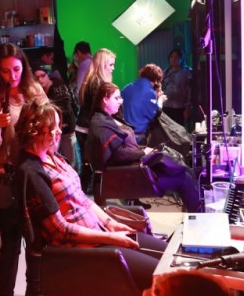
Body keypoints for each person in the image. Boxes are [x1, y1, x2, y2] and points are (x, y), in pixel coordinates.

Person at [12, 100, 165, 293]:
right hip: (83, 249)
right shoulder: (31, 172)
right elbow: (61, 230)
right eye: (53, 127)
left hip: (100, 233)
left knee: (168, 257)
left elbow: (82, 199)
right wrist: (112, 238)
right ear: (35, 131)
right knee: (163, 278)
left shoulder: (53, 156)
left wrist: (110, 223)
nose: (59, 131)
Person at [0, 43, 56, 296]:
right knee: (11, 245)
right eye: (5, 70)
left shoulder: (33, 89)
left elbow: (50, 125)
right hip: (5, 178)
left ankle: (34, 290)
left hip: (33, 175)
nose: (12, 75)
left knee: (36, 240)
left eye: (16, 69)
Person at [86, 82, 202, 212]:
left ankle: (197, 212)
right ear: (105, 99)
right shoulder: (100, 124)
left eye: (120, 97)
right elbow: (118, 154)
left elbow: (125, 147)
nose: (121, 101)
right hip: (130, 174)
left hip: (135, 167)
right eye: (117, 98)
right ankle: (199, 215)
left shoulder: (111, 118)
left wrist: (145, 150)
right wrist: (143, 152)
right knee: (184, 178)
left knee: (184, 169)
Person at [75, 48, 116, 189]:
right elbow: (101, 111)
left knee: (88, 168)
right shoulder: (98, 84)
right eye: (111, 65)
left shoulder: (91, 81)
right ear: (102, 64)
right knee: (94, 168)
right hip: (89, 129)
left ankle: (83, 196)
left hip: (84, 128)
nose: (113, 68)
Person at [32, 60, 76, 166]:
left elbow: (66, 112)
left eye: (43, 75)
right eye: (37, 78)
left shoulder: (58, 87)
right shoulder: (38, 91)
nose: (40, 80)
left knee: (70, 163)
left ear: (48, 74)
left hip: (65, 131)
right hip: (51, 132)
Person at [121, 64, 165, 138]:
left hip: (123, 133)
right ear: (156, 80)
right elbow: (155, 115)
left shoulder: (127, 87)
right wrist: (160, 100)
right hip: (137, 137)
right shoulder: (150, 93)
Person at [161, 48, 193, 129]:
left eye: (176, 57)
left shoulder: (187, 71)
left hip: (180, 108)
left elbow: (189, 90)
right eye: (172, 57)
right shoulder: (166, 72)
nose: (173, 59)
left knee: (178, 130)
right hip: (166, 106)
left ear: (181, 58)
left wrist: (187, 108)